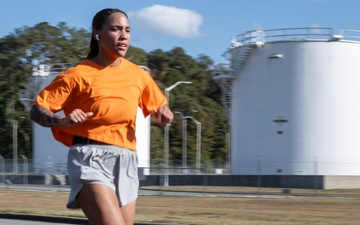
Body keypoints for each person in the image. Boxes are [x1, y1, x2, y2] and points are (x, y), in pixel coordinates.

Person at [30, 8, 174, 225]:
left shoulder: (139, 75)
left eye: (127, 30)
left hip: (126, 159)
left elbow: (161, 106)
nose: (123, 35)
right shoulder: (77, 74)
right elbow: (37, 109)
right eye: (115, 29)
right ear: (97, 34)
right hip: (90, 157)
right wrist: (61, 121)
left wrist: (165, 114)